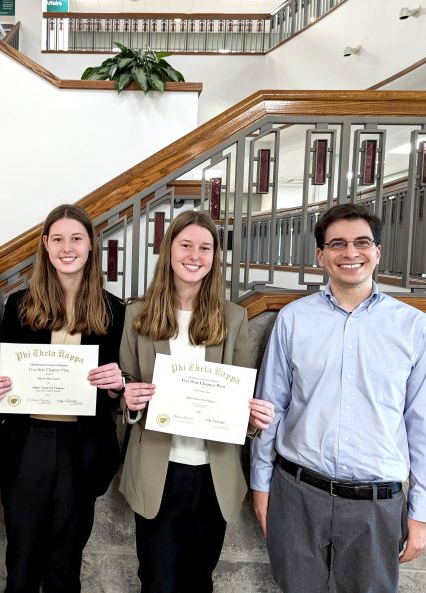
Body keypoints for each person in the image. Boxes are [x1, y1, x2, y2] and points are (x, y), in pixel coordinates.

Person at [251, 203, 426, 593]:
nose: (350, 253)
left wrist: (422, 511)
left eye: (361, 242)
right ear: (321, 255)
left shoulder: (415, 328)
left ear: (378, 251)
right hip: (298, 495)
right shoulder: (293, 319)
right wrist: (261, 485)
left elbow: (425, 425)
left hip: (377, 505)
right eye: (337, 244)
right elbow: (270, 408)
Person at [119, 210, 275, 593]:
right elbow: (123, 386)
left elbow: (240, 395)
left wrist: (253, 418)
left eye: (205, 248)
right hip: (158, 468)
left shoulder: (234, 318)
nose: (195, 255)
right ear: (169, 249)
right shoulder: (136, 315)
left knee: (198, 580)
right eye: (185, 245)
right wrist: (130, 398)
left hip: (212, 473)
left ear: (214, 257)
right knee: (155, 581)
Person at [0, 204, 125, 593]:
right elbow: (1, 380)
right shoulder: (19, 305)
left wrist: (117, 385)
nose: (67, 247)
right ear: (45, 246)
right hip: (28, 444)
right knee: (22, 564)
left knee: (66, 566)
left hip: (84, 447)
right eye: (58, 239)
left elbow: (115, 391)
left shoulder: (113, 310)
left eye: (76, 238)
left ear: (91, 245)